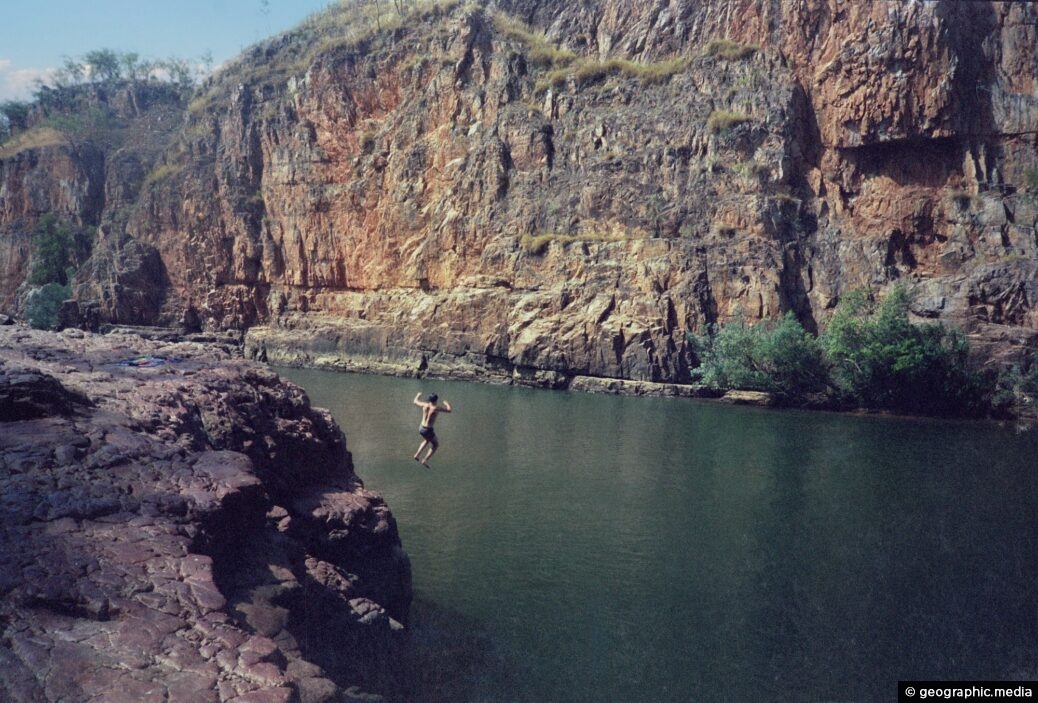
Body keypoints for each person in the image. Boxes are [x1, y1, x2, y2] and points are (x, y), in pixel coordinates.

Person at [413, 392, 452, 467]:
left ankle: (417, 455)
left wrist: (418, 395)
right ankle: (424, 460)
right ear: (436, 400)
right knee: (435, 445)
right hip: (428, 430)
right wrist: (447, 403)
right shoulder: (436, 408)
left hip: (421, 428)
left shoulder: (424, 405)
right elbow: (449, 410)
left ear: (429, 399)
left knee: (427, 440)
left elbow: (415, 401)